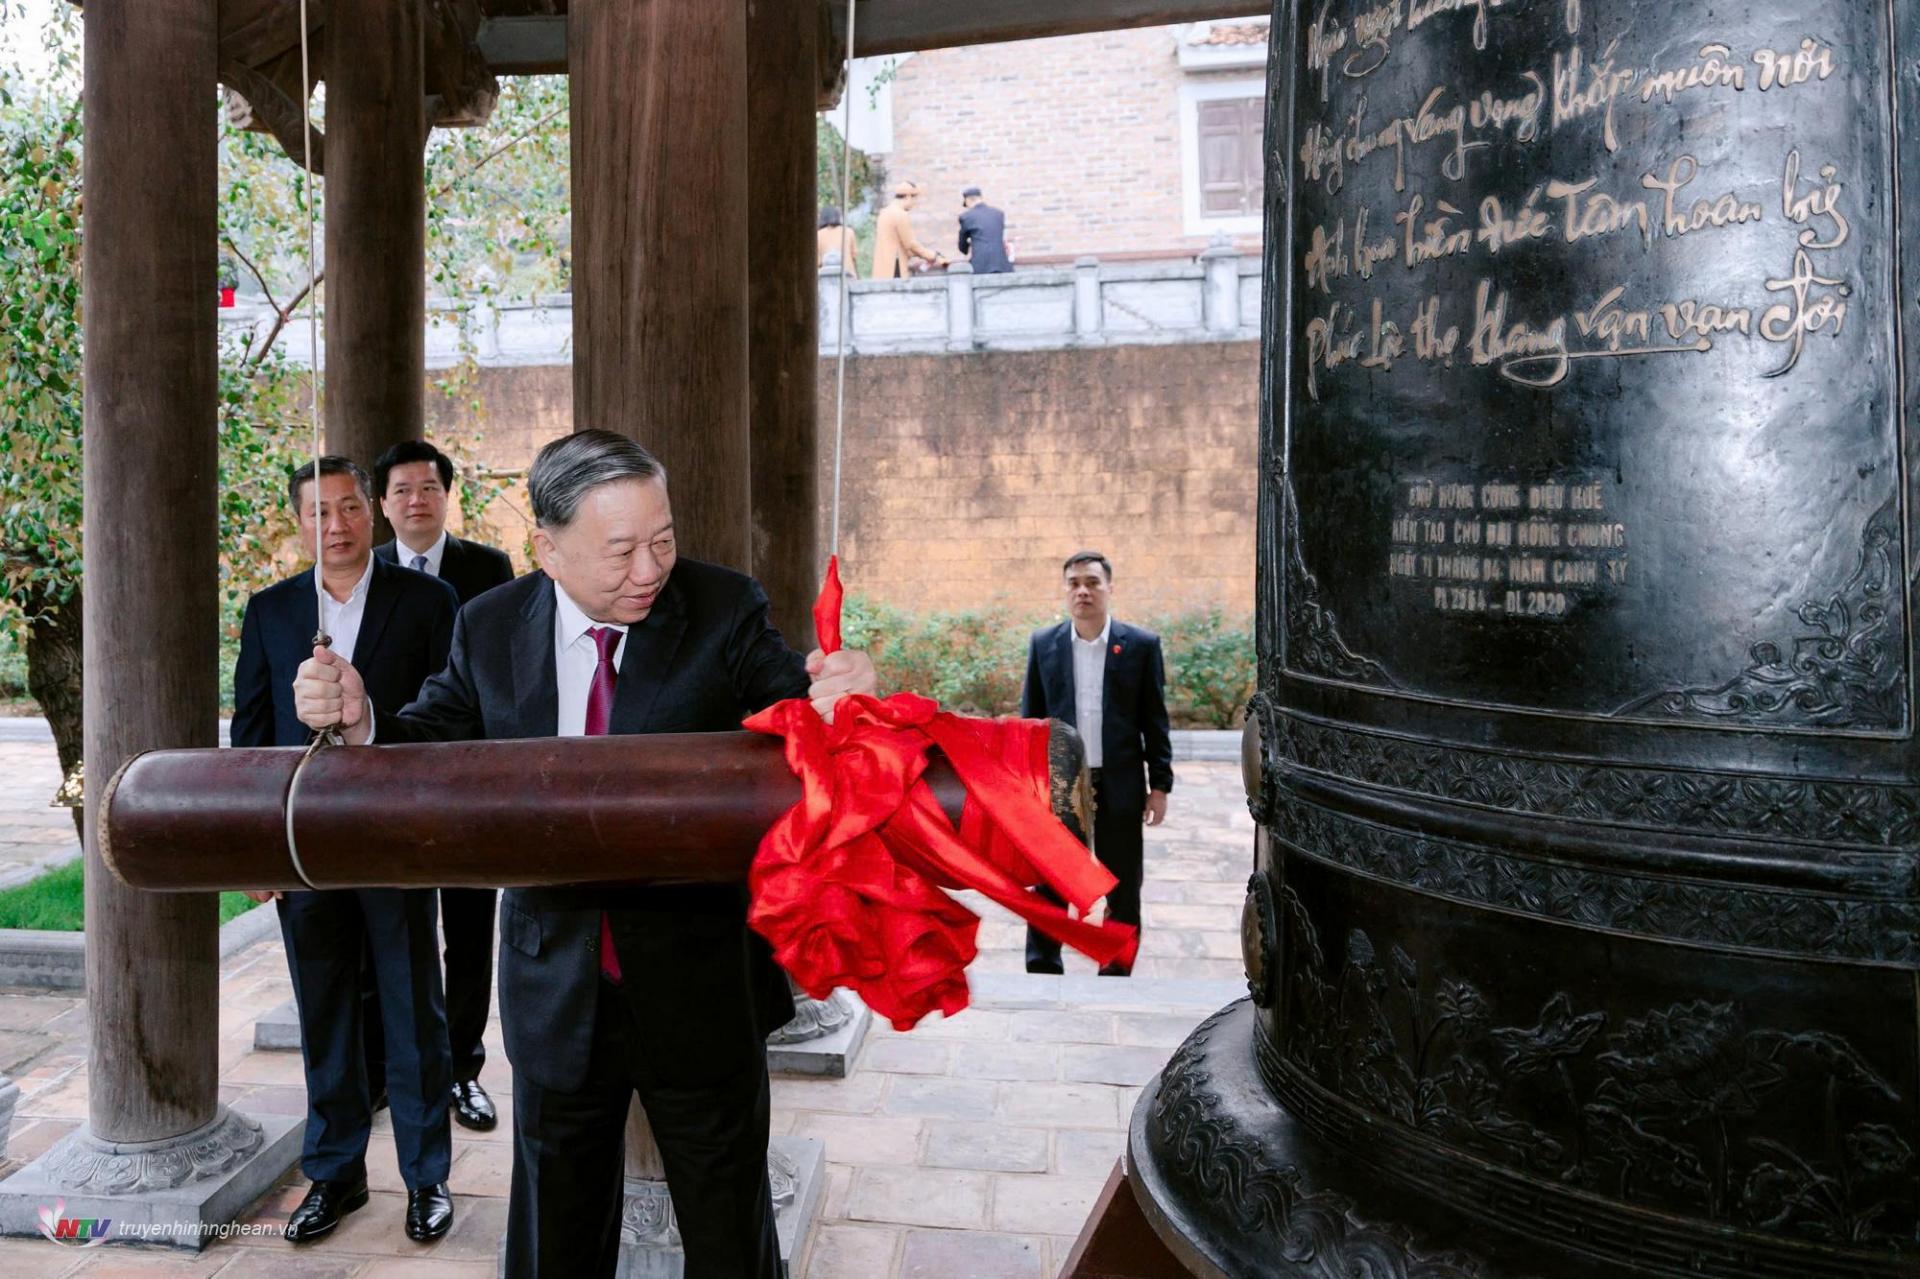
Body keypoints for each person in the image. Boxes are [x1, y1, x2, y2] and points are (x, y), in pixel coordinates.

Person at [290, 429, 878, 1279]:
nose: (651, 569)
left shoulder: (721, 610)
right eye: (623, 550)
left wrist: (843, 698)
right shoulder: (489, 627)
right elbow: (424, 748)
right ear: (549, 548)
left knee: (729, 1232)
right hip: (556, 988)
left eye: (663, 539)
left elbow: (802, 712)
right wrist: (358, 717)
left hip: (700, 983)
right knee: (555, 1238)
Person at [231, 456, 460, 1245]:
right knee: (324, 1010)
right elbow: (252, 737)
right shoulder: (268, 610)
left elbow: (448, 719)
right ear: (298, 522)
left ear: (373, 513)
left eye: (351, 506)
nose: (336, 524)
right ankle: (336, 1173)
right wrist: (256, 848)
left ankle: (428, 1175)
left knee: (411, 1010)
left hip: (396, 841)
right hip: (303, 850)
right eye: (318, 511)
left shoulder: (429, 601)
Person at [373, 439, 517, 1134]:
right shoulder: (361, 574)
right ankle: (397, 1067)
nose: (415, 500)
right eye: (401, 490)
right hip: (389, 776)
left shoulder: (488, 568)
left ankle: (463, 1067)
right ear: (383, 503)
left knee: (468, 927)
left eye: (427, 487)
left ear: (446, 493)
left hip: (467, 779)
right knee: (397, 930)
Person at [1020, 551, 1173, 977]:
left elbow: (1154, 721)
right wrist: (1027, 787)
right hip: (1059, 787)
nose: (1082, 590)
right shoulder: (1043, 644)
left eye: (1092, 582)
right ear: (1066, 590)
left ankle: (1117, 970)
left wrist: (1159, 785)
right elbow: (1030, 720)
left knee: (1122, 886)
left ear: (1109, 588)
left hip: (1119, 785)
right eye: (1074, 583)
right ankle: (1043, 969)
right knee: (1050, 883)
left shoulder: (1140, 646)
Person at [871, 180, 946, 279]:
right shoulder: (900, 214)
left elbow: (898, 244)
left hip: (882, 269)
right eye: (914, 199)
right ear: (908, 197)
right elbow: (910, 244)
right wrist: (933, 256)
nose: (914, 204)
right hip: (894, 267)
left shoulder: (884, 213)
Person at [957, 185, 1013, 274]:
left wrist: (968, 245)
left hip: (981, 266)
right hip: (1002, 264)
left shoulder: (966, 217)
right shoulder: (998, 214)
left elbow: (962, 247)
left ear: (968, 200)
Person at [816, 205, 860, 276]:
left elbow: (818, 262)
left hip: (826, 277)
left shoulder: (818, 235)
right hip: (849, 275)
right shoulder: (849, 232)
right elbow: (853, 257)